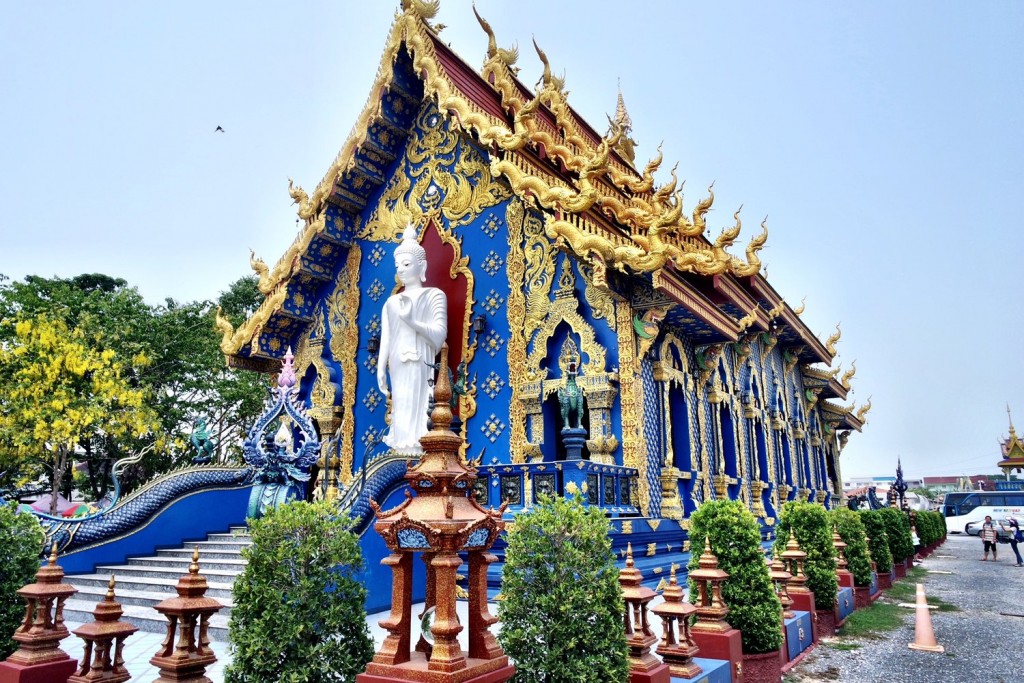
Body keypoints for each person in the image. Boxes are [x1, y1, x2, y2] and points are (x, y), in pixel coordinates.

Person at [377, 224, 448, 455]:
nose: (402, 270)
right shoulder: (391, 303)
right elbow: (386, 339)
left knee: (418, 407)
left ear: (422, 266)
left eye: (407, 265)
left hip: (421, 361)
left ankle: (417, 446)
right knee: (401, 407)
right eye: (398, 266)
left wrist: (412, 321)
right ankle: (400, 445)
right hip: (397, 363)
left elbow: (439, 336)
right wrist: (381, 367)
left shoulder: (434, 295)